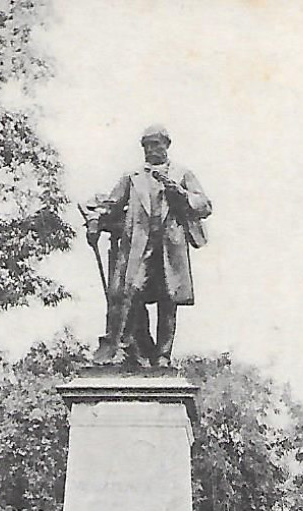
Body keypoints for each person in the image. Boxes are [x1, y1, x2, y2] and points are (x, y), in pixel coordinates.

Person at [81, 125, 212, 368]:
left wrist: (181, 193)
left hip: (169, 248)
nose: (150, 150)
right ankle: (131, 349)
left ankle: (163, 356)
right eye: (146, 145)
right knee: (132, 292)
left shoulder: (182, 173)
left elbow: (204, 205)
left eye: (155, 144)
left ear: (166, 145)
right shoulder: (132, 177)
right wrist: (94, 223)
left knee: (168, 301)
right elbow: (110, 204)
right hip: (139, 249)